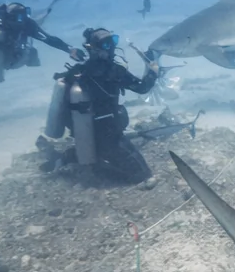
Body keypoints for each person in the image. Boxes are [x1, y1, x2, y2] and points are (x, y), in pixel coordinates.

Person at [43, 28, 159, 184]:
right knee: (143, 175)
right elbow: (142, 87)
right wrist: (153, 72)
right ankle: (79, 159)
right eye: (107, 44)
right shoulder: (115, 71)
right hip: (109, 133)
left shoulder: (80, 70)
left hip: (87, 130)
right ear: (95, 48)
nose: (111, 47)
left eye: (113, 42)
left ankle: (68, 157)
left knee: (97, 153)